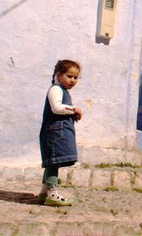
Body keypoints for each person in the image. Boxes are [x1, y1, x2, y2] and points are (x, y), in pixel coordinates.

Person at [38, 59, 83, 206]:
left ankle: (44, 193)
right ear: (58, 75)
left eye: (75, 77)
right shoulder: (55, 89)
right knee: (53, 162)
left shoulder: (63, 91)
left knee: (53, 162)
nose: (73, 80)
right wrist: (73, 109)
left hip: (59, 132)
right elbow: (56, 107)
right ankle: (52, 193)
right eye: (69, 76)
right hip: (54, 134)